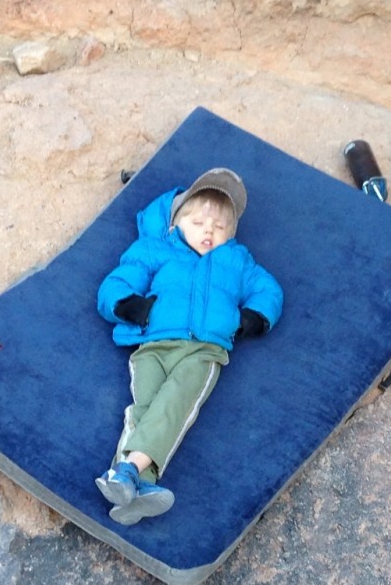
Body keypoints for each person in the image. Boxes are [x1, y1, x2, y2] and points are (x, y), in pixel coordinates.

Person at [95, 167, 284, 525]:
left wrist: (256, 316)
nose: (209, 232)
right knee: (145, 407)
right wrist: (126, 304)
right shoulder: (154, 249)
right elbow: (118, 280)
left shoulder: (237, 261)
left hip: (202, 350)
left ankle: (124, 470)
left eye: (220, 228)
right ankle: (135, 487)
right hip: (151, 344)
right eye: (199, 223)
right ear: (174, 224)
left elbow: (269, 289)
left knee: (175, 402)